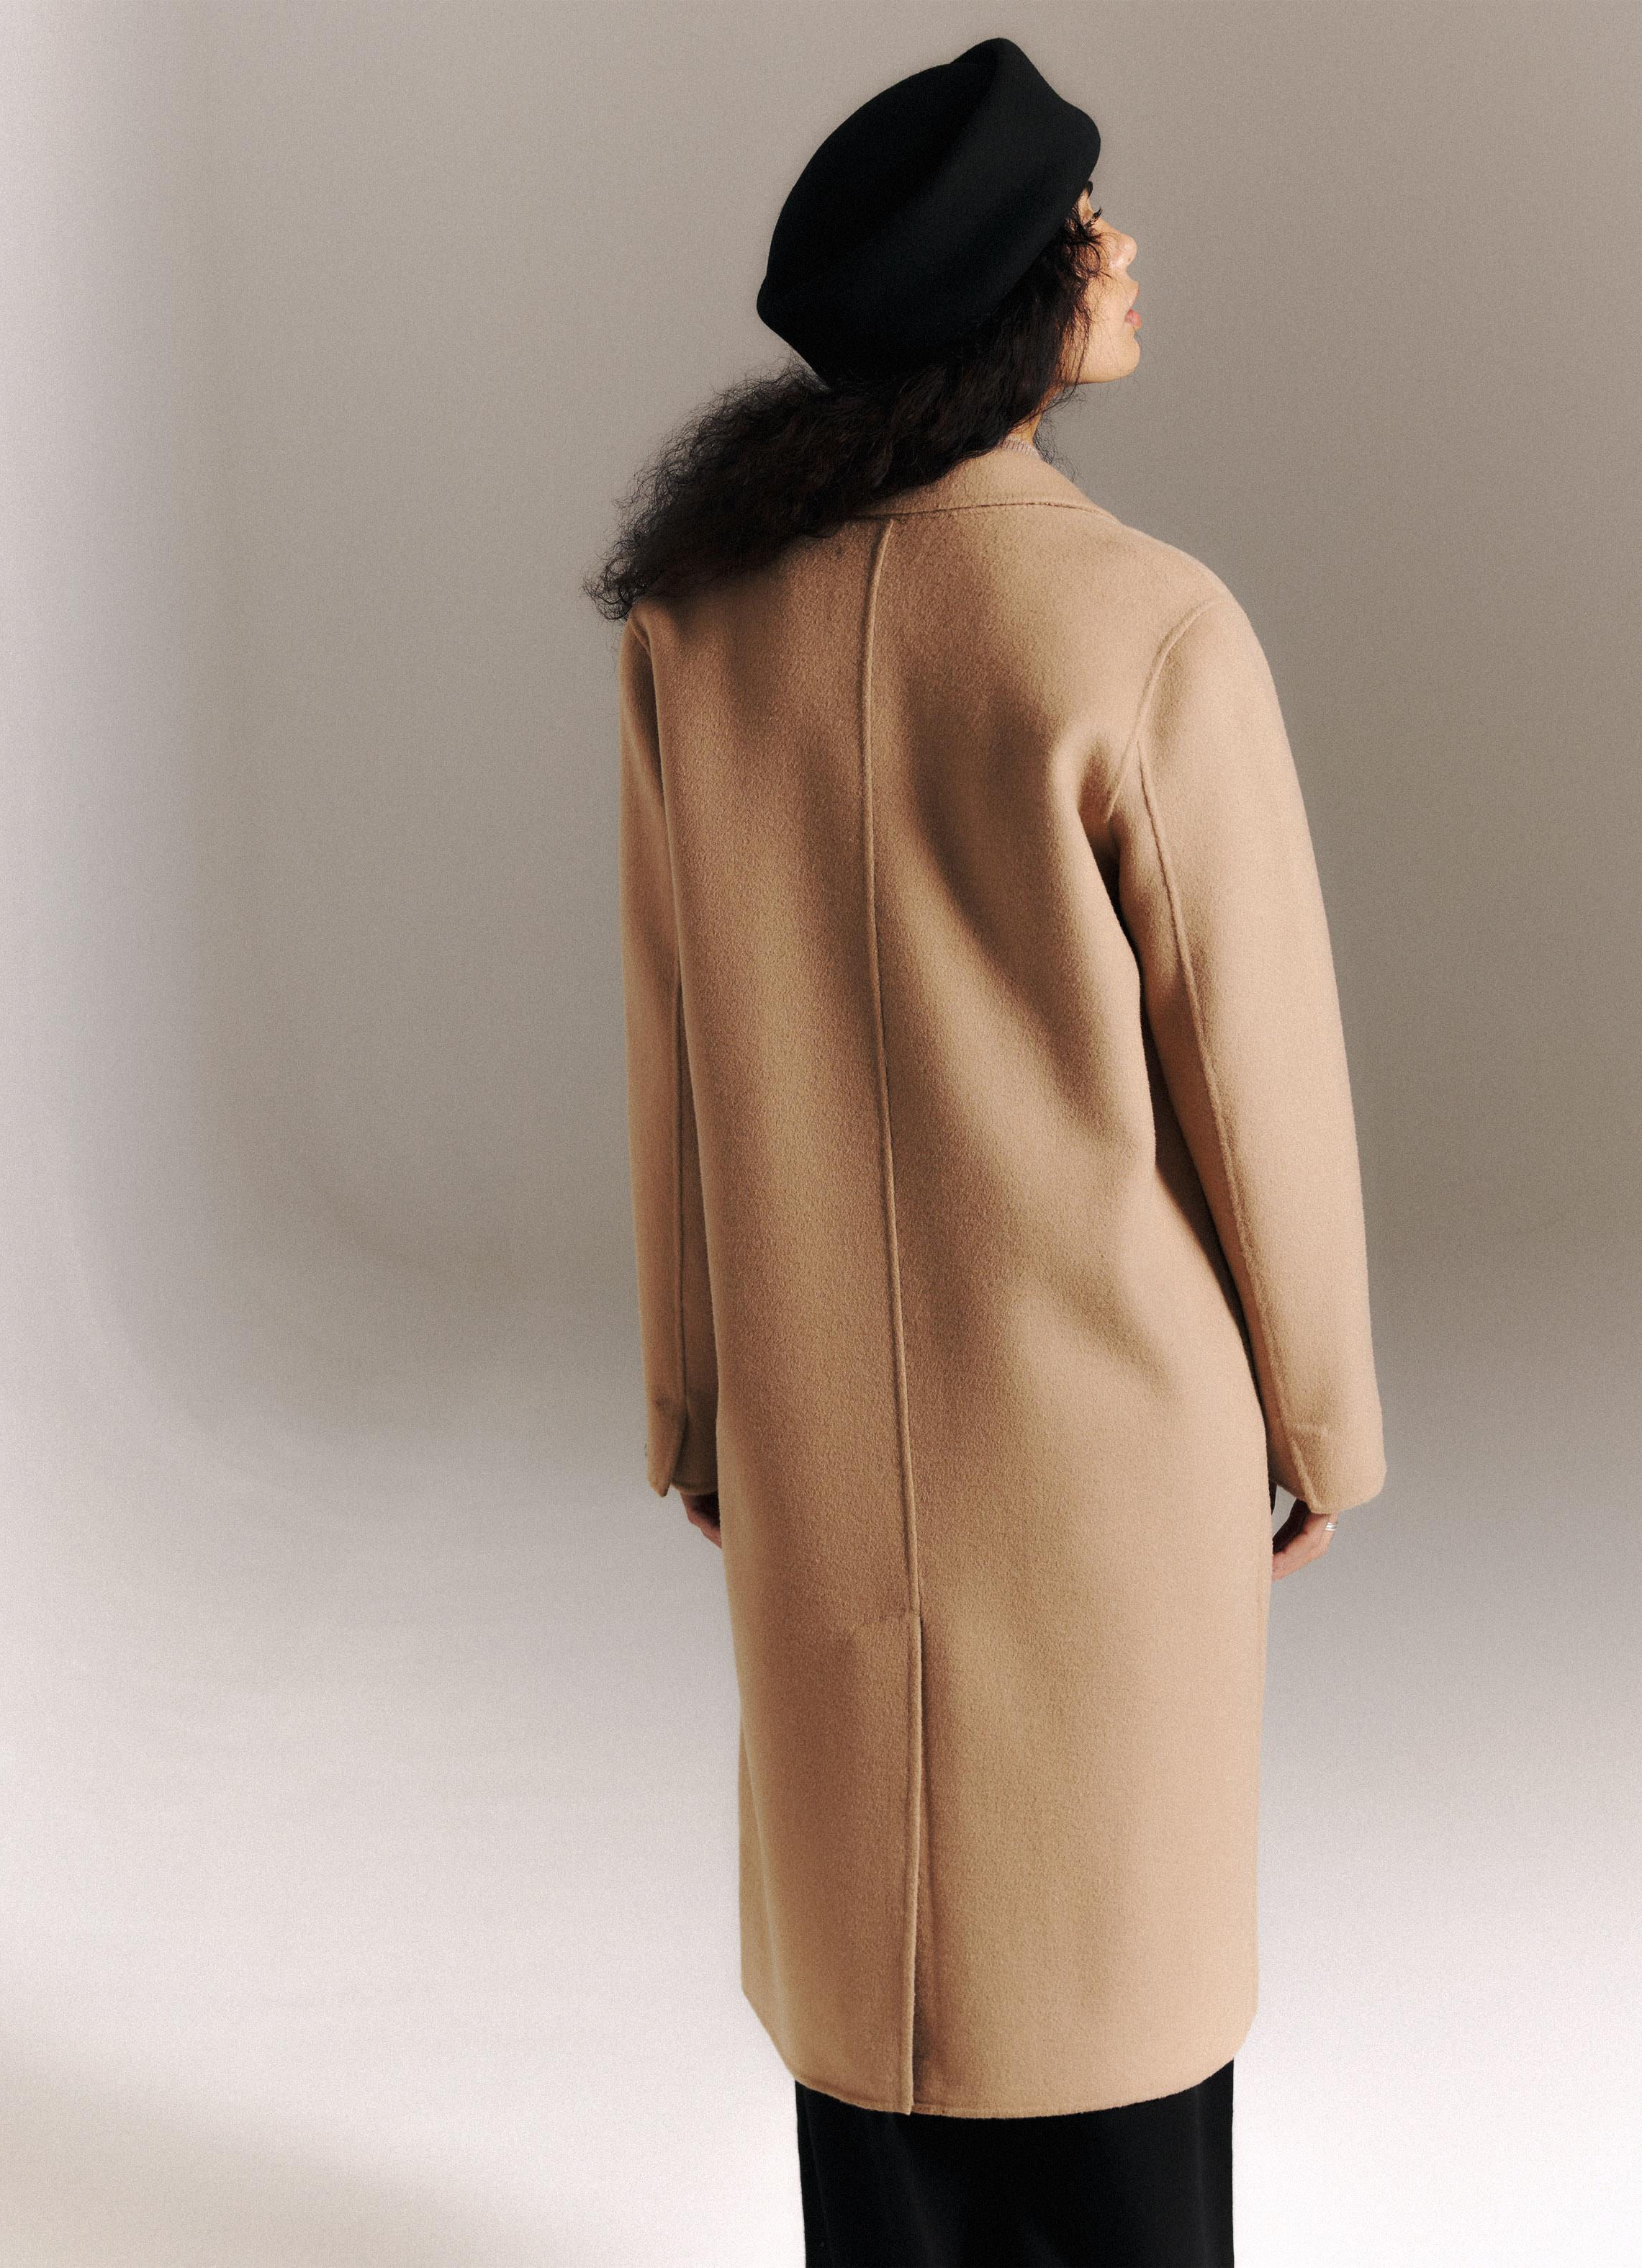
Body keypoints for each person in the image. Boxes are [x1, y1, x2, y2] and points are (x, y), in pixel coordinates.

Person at [588, 35, 1386, 2267]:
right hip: (1107, 1455)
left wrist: (693, 1401)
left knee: (884, 2016)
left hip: (826, 1435)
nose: (1117, 250)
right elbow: (1257, 1078)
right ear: (1001, 302)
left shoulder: (692, 626)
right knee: (1113, 2004)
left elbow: (670, 1048)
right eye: (1081, 224)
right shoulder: (1143, 625)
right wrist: (1320, 1418)